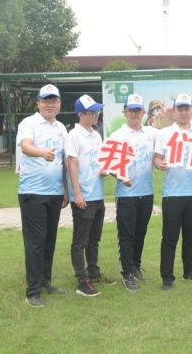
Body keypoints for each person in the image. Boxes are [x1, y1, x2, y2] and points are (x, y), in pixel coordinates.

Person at [154, 93, 192, 290]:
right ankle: (167, 276)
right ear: (174, 111)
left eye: (187, 108)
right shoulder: (165, 133)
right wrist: (159, 164)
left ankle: (190, 271)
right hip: (172, 192)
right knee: (170, 237)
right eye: (180, 109)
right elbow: (157, 157)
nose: (183, 112)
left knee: (191, 235)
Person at [16, 84, 69, 307]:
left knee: (49, 241)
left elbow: (64, 161)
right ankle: (33, 292)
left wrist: (65, 190)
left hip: (55, 193)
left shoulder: (61, 128)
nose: (50, 104)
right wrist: (42, 153)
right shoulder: (29, 123)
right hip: (33, 192)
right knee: (35, 242)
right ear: (38, 103)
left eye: (54, 100)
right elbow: (26, 147)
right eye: (45, 100)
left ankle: (46, 282)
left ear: (59, 104)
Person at [109, 94, 160, 291]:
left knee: (140, 233)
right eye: (130, 110)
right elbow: (110, 165)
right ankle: (126, 273)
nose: (134, 114)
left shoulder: (151, 134)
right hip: (126, 194)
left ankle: (136, 267)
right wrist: (120, 176)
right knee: (127, 235)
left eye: (138, 110)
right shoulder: (117, 136)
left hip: (146, 192)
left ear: (143, 112)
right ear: (124, 112)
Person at [66, 95, 115, 298]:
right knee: (81, 241)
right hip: (83, 196)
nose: (96, 115)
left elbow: (98, 160)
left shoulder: (96, 135)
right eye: (91, 112)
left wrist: (104, 170)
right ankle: (82, 281)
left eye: (97, 112)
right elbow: (72, 165)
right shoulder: (74, 136)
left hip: (97, 194)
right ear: (80, 114)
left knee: (94, 238)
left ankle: (93, 273)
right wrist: (77, 193)